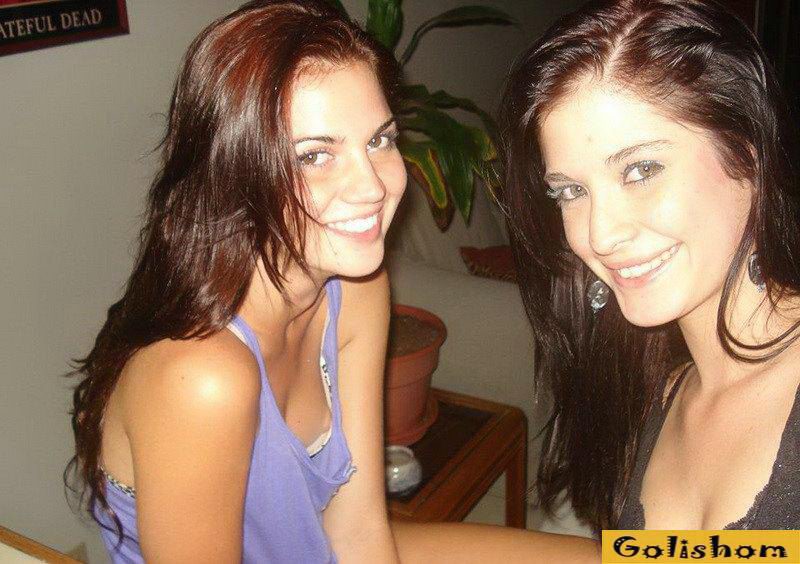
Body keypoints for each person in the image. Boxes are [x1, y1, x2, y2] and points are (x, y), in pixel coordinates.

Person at [66, 1, 601, 562]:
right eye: (315, 155)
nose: (372, 186)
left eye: (380, 140)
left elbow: (358, 531)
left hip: (323, 550)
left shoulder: (356, 288)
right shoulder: (202, 378)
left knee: (632, 556)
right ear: (232, 173)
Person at [499, 0, 800, 532]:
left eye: (641, 170)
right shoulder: (657, 395)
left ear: (747, 159)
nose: (599, 236)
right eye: (571, 191)